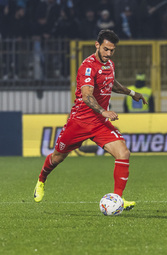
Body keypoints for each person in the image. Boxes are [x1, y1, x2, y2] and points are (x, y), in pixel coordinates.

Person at [33, 30, 147, 211]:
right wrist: (104, 111)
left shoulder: (109, 64)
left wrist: (132, 93)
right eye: (106, 49)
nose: (108, 53)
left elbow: (112, 83)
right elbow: (87, 96)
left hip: (100, 123)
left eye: (112, 50)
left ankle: (117, 199)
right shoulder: (87, 66)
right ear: (97, 45)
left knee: (123, 153)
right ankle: (41, 180)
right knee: (57, 157)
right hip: (80, 121)